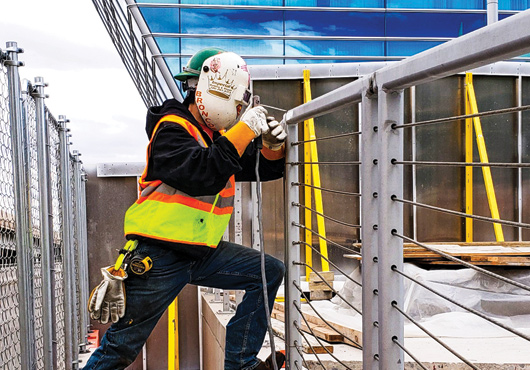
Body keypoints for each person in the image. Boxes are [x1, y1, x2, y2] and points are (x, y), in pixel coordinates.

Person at [83, 48, 287, 370]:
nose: (237, 110)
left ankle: (242, 365)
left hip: (202, 253)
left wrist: (273, 148)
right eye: (235, 103)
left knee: (267, 271)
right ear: (204, 89)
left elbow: (263, 168)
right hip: (159, 256)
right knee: (120, 348)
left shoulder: (216, 138)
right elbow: (202, 172)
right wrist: (245, 129)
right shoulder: (172, 130)